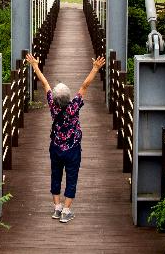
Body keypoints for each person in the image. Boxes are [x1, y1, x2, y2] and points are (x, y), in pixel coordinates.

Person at [25, 52, 106, 223]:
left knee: (55, 175)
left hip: (55, 147)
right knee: (71, 177)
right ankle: (66, 210)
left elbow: (45, 83)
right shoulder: (73, 107)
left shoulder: (53, 106)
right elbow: (84, 86)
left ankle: (57, 208)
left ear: (54, 98)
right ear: (69, 98)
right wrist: (95, 68)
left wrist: (35, 66)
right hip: (72, 148)